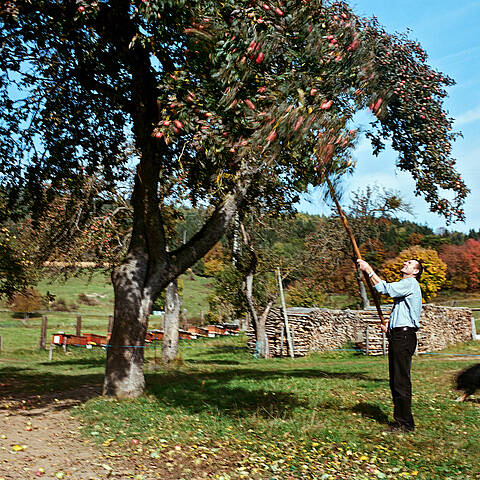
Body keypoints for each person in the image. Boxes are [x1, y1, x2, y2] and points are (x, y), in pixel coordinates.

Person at [357, 258, 423, 433]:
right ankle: (401, 421)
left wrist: (368, 268)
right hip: (399, 334)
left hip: (404, 336)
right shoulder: (406, 286)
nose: (405, 264)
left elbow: (386, 289)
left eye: (410, 263)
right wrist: (390, 327)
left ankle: (405, 424)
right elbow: (403, 313)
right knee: (396, 381)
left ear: (415, 271)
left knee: (401, 381)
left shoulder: (410, 283)